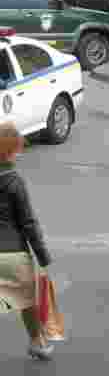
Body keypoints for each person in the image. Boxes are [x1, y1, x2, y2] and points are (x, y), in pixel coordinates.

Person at [0, 122, 54, 360]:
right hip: (13, 253)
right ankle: (37, 342)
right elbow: (28, 222)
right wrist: (42, 255)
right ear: (11, 153)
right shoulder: (15, 182)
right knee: (26, 302)